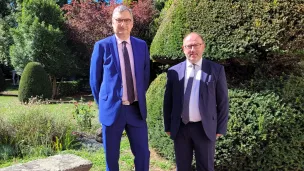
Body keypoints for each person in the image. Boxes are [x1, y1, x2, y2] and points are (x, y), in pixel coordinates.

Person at [90, 5, 150, 171]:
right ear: (112, 22)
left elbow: (145, 76)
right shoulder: (101, 46)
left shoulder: (141, 45)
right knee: (111, 158)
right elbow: (95, 81)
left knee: (143, 154)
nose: (122, 24)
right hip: (112, 111)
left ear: (132, 23)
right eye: (118, 20)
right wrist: (104, 103)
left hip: (135, 110)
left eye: (126, 20)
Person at [163, 32, 229, 171]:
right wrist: (168, 126)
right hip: (180, 128)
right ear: (183, 49)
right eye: (189, 46)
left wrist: (220, 128)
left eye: (196, 45)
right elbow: (168, 102)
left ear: (203, 46)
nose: (193, 49)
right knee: (182, 167)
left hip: (204, 129)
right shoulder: (173, 72)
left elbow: (223, 101)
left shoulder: (216, 70)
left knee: (205, 167)